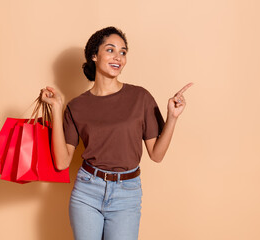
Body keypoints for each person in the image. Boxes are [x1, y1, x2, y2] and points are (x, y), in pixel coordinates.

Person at [41, 26, 192, 240]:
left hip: (127, 193)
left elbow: (156, 155)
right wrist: (57, 108)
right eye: (110, 50)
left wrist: (173, 117)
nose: (118, 57)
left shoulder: (140, 97)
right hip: (87, 192)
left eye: (123, 52)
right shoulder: (76, 106)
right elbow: (62, 162)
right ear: (94, 55)